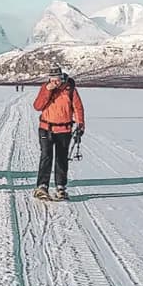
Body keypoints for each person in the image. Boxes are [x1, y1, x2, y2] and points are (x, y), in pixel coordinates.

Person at [33, 69, 85, 201]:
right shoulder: (45, 88)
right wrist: (47, 90)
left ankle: (61, 187)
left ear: (62, 78)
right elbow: (38, 106)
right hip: (46, 128)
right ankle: (42, 186)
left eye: (57, 79)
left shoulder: (70, 89)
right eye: (52, 79)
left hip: (64, 130)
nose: (55, 82)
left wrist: (80, 124)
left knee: (61, 158)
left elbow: (78, 107)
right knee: (46, 156)